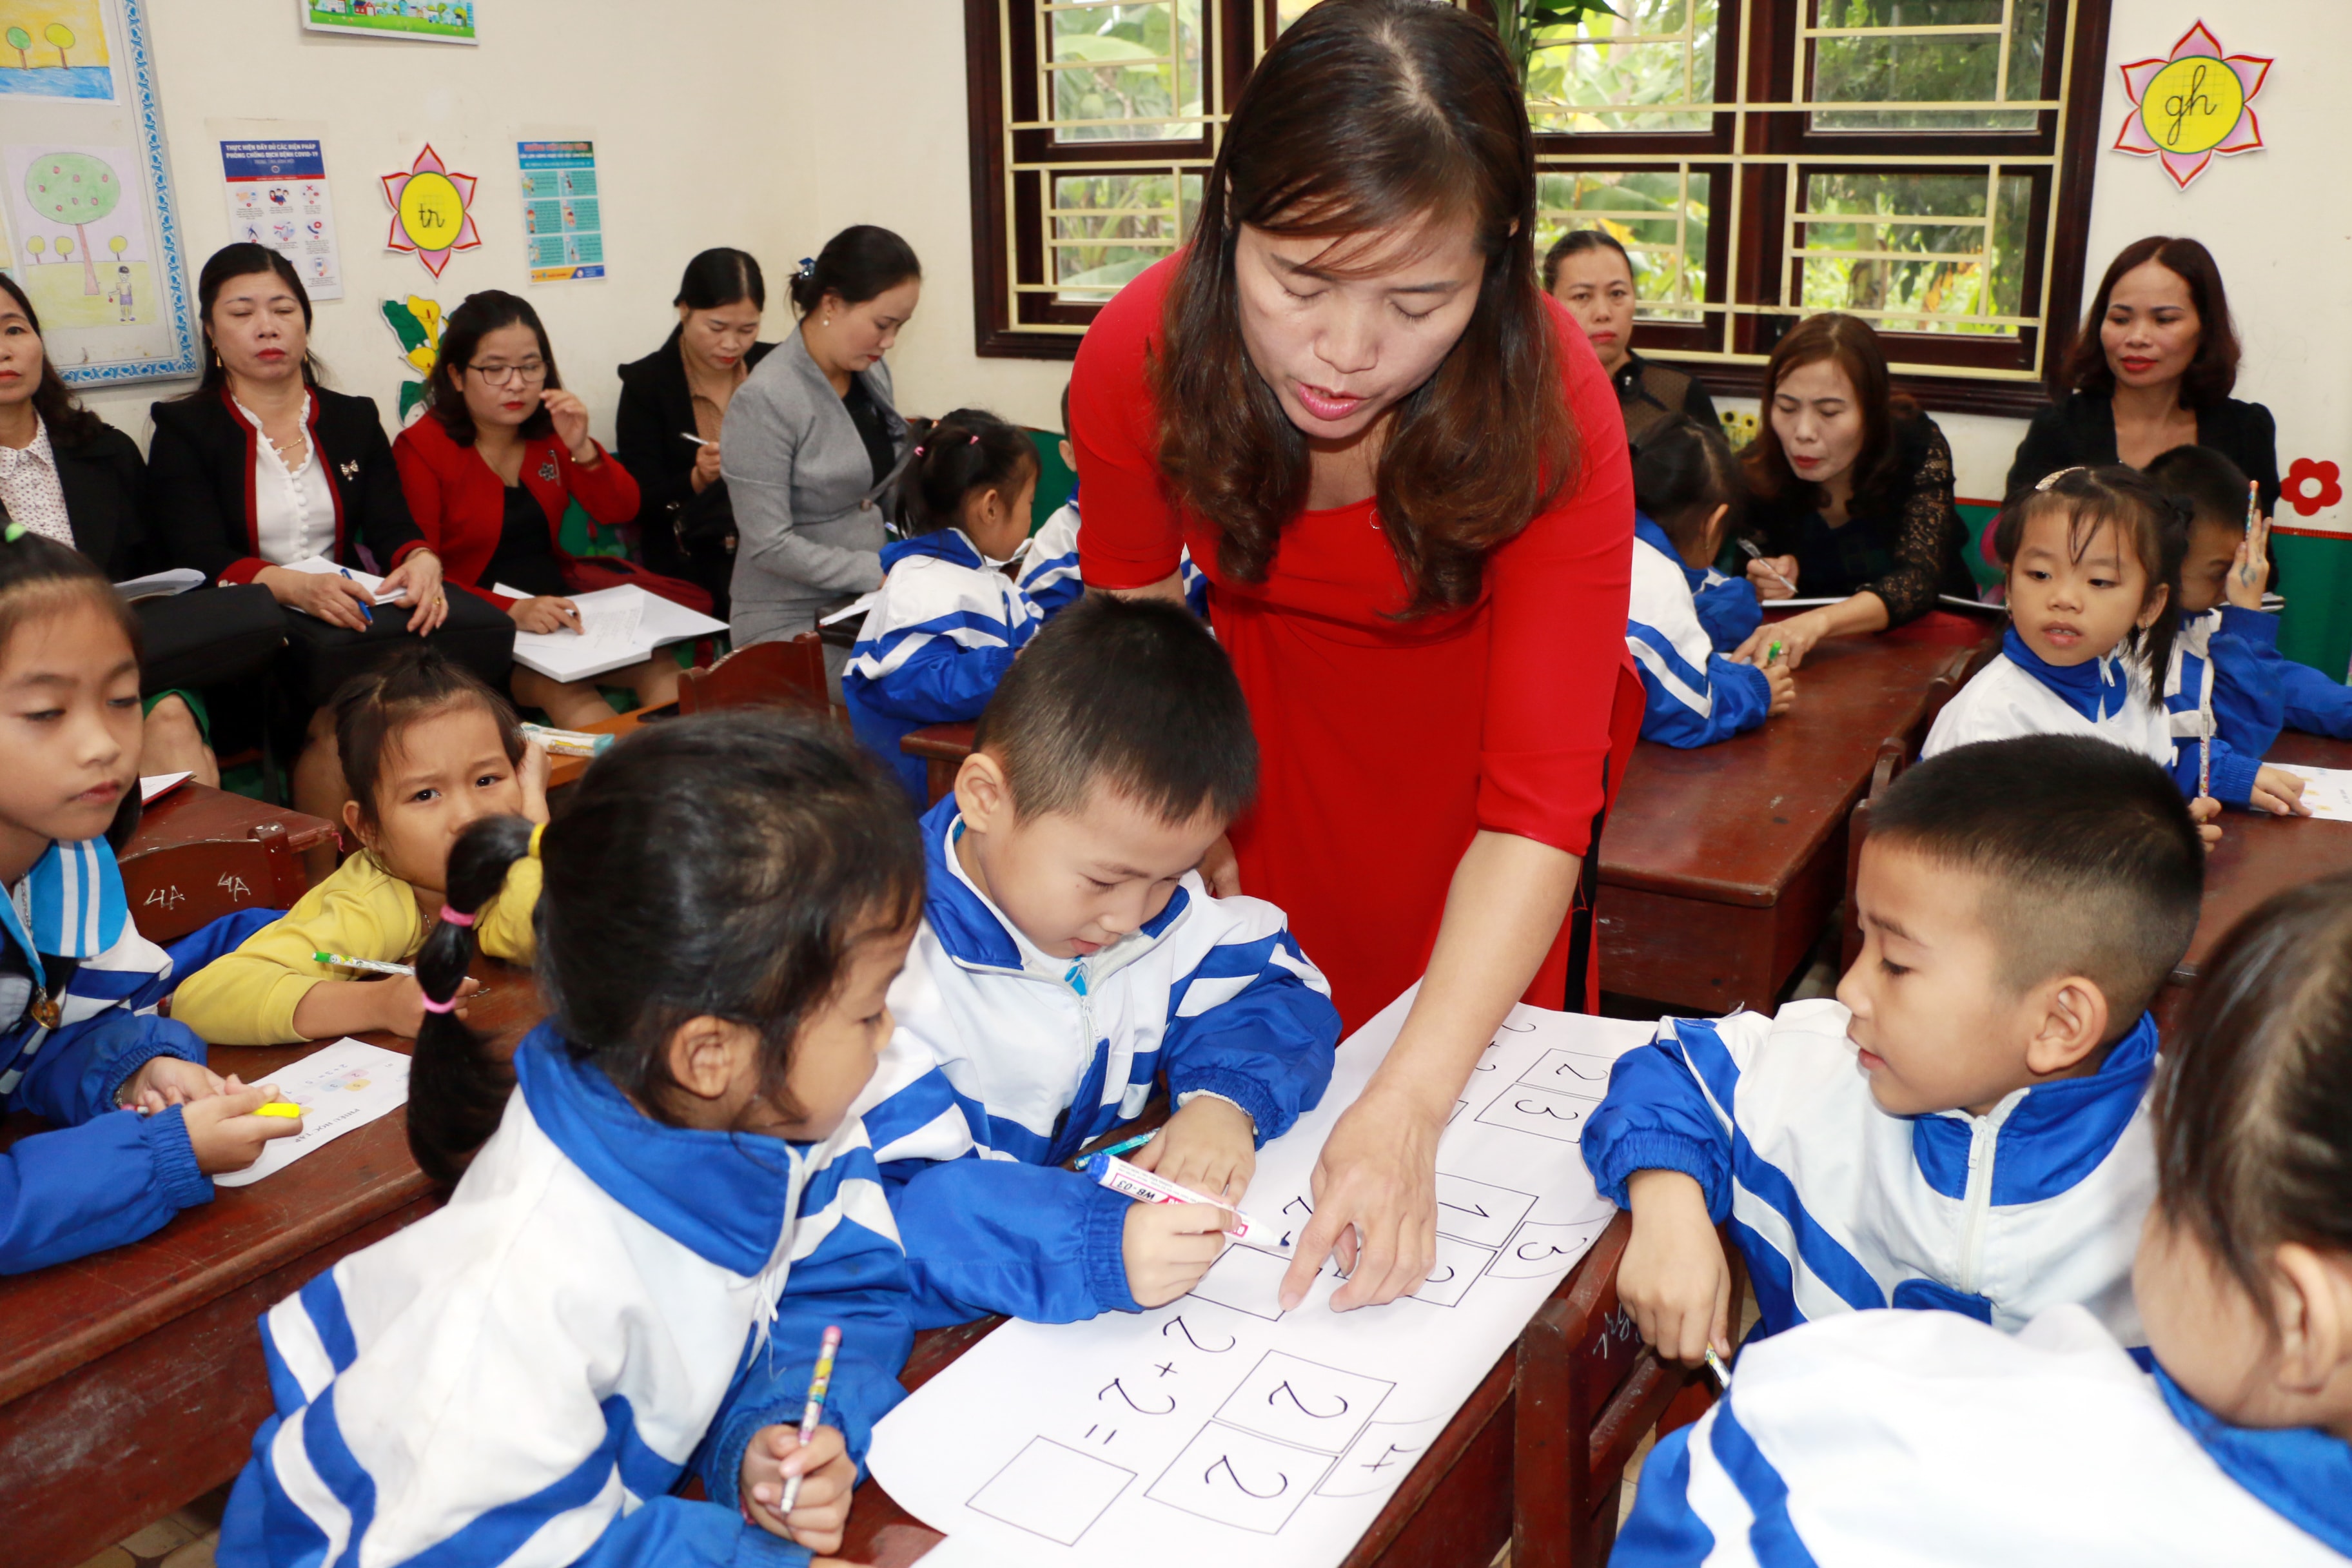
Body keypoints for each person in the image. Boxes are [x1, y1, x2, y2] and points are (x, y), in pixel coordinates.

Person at [1070, 0, 1636, 1312]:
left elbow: (1540, 802)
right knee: (1253, 1095)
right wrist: (1178, 837)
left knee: (1448, 1170)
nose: (1345, 351)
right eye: (1301, 281)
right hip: (1262, 775)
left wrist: (1410, 1103)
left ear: (1498, 263)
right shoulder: (1142, 357)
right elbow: (1142, 661)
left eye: (1418, 298)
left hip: (1486, 810)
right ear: (1229, 220)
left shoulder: (1549, 403)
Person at [218, 714, 923, 1565]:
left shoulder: (771, 1117)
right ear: (710, 1053)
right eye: (868, 1008)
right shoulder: (527, 1287)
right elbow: (518, 1548)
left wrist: (778, 1426)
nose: (888, 1035)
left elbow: (840, 1282)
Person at [1609, 874, 2352, 1568]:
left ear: (2298, 1313)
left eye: (2178, 1190)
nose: (1854, 987)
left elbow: (1700, 1505)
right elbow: (1681, 1064)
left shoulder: (1800, 1448)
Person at [1587, 734, 2200, 1365]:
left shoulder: (2204, 1192)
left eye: (1897, 963)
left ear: (2059, 1022)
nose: (1850, 986)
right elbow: (1669, 1070)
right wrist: (1668, 1208)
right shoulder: (1830, 1067)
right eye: (1861, 938)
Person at [861, 596, 1339, 1323]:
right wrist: (1090, 1243)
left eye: (1167, 877)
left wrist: (1223, 1101)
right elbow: (890, 1204)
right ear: (986, 797)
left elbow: (1279, 985)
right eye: (1105, 879)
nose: (1127, 918)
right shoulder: (880, 976)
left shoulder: (1153, 912)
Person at [0, 531, 299, 1273]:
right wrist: (163, 1149)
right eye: (45, 711)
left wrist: (136, 1070)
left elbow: (37, 1037)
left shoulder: (69, 860)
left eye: (122, 699)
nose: (104, 743)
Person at [146, 244, 509, 839]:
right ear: (211, 331)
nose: (267, 327)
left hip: (340, 630)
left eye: (283, 309)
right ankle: (322, 888)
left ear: (305, 321)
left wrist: (420, 559)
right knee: (333, 710)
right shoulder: (185, 429)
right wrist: (293, 587)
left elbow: (394, 526)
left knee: (375, 702)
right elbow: (198, 557)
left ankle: (408, 870)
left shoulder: (351, 418)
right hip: (243, 638)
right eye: (242, 313)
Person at [170, 648, 545, 1046]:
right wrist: (378, 1004)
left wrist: (532, 817)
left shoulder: (507, 866)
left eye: (487, 780)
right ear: (368, 829)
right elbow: (202, 1001)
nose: (468, 816)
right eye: (426, 794)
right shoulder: (366, 903)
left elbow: (540, 931)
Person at [0, 271, 279, 788]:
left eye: (14, 330)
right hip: (15, 687)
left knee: (170, 719)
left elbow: (160, 578)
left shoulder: (106, 453)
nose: (4, 351)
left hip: (128, 666)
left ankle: (198, 870)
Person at [394, 289, 694, 729]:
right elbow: (423, 575)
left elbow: (621, 509)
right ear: (457, 376)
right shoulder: (421, 448)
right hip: (469, 628)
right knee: (567, 692)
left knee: (664, 669)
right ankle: (629, 791)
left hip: (556, 615)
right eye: (495, 369)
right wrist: (511, 611)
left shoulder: (547, 434)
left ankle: (698, 787)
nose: (516, 383)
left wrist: (583, 450)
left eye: (531, 367)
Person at [1923, 467, 2201, 821]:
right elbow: (1984, 865)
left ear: (2149, 605)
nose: (2064, 599)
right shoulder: (1989, 723)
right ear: (2008, 585)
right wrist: (2153, 848)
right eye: (2040, 575)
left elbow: (2153, 789)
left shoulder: (2130, 681)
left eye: (2099, 581)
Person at [723, 226, 923, 685]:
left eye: (899, 328)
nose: (889, 341)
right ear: (831, 304)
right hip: (788, 623)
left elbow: (878, 491)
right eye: (882, 324)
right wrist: (878, 570)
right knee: (911, 690)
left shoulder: (871, 373)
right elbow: (769, 542)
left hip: (859, 609)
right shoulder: (767, 399)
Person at [1729, 311, 1977, 669]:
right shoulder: (1756, 469)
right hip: (1815, 661)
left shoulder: (1915, 443)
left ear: (1871, 411)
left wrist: (1820, 622)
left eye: (1828, 412)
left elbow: (1918, 581)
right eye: (1786, 408)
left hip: (1930, 645)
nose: (1803, 432)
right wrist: (1762, 581)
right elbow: (1744, 576)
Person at [843, 408, 1043, 805]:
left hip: (966, 772)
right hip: (917, 795)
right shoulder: (921, 581)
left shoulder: (988, 578)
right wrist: (1011, 667)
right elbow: (910, 683)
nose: (1031, 519)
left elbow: (1034, 644)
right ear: (990, 508)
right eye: (1030, 504)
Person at [2006, 237, 2280, 516]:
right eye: (2120, 320)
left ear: (2205, 329)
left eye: (2164, 320)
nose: (2137, 338)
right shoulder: (2059, 429)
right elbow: (2017, 544)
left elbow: (2257, 549)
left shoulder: (2246, 432)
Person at [2146, 444, 2317, 818]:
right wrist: (2246, 617)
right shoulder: (2136, 651)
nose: (2232, 584)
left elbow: (2294, 688)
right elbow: (2242, 738)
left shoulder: (2203, 621)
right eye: (2219, 570)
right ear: (2161, 559)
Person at [615, 248, 774, 621]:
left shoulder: (775, 368)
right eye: (717, 328)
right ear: (684, 310)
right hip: (693, 562)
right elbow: (638, 502)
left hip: (775, 550)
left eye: (748, 330)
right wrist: (696, 479)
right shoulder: (647, 386)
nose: (732, 344)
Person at [1625, 415, 1790, 747]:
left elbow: (1704, 589)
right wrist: (1757, 688)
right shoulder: (1657, 581)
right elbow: (1690, 715)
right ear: (1714, 525)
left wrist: (1746, 597)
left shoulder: (1614, 536)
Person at [1544, 228, 1718, 449]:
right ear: (1549, 304)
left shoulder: (1679, 393)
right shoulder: (1525, 395)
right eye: (1582, 296)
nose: (1603, 313)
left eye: (1617, 294)